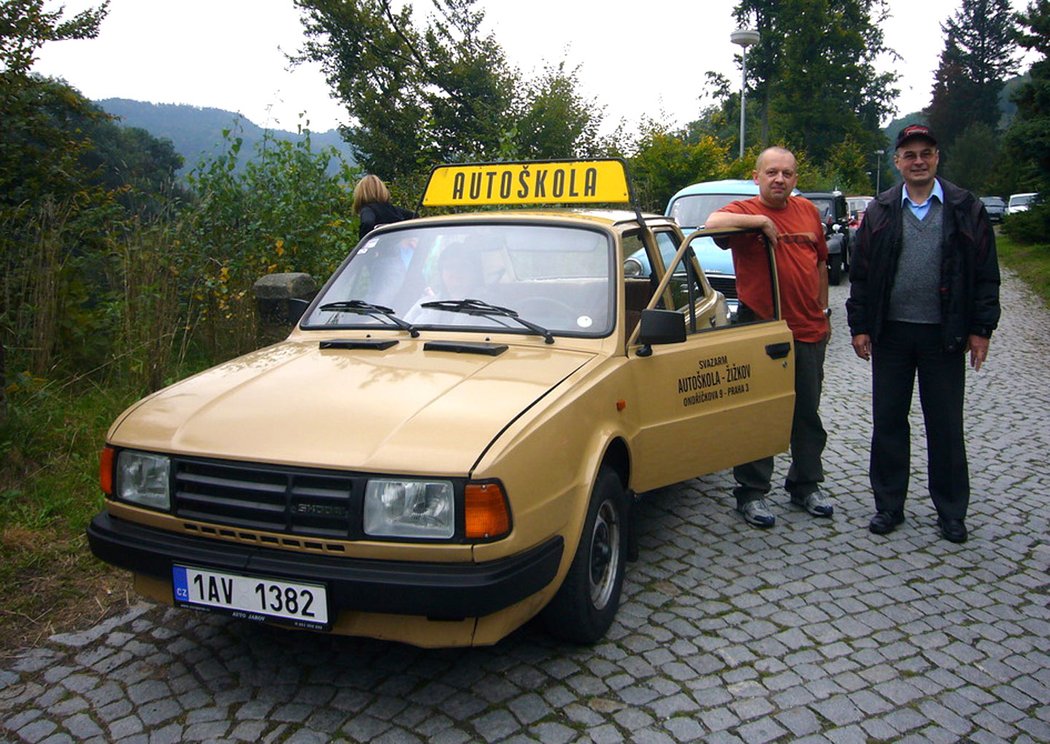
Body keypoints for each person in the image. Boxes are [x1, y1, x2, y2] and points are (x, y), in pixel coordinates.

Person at [846, 124, 1000, 544]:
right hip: (892, 334)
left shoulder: (965, 207)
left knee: (946, 425)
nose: (918, 161)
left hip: (944, 335)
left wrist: (981, 328)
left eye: (925, 153)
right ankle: (889, 505)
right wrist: (860, 326)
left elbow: (986, 274)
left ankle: (951, 511)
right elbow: (860, 275)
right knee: (889, 421)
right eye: (909, 154)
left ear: (936, 157)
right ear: (897, 162)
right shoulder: (880, 210)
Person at [705, 146, 833, 528]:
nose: (780, 179)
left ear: (796, 179)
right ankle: (752, 492)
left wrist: (823, 311)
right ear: (757, 176)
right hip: (760, 325)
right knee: (759, 411)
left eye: (788, 173)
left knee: (806, 412)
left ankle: (805, 484)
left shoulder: (808, 212)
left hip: (808, 328)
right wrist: (759, 223)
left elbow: (822, 262)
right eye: (772, 172)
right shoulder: (743, 211)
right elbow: (712, 222)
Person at [353, 174, 415, 240]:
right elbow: (415, 216)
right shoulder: (393, 210)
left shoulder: (367, 209)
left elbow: (367, 222)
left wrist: (364, 240)